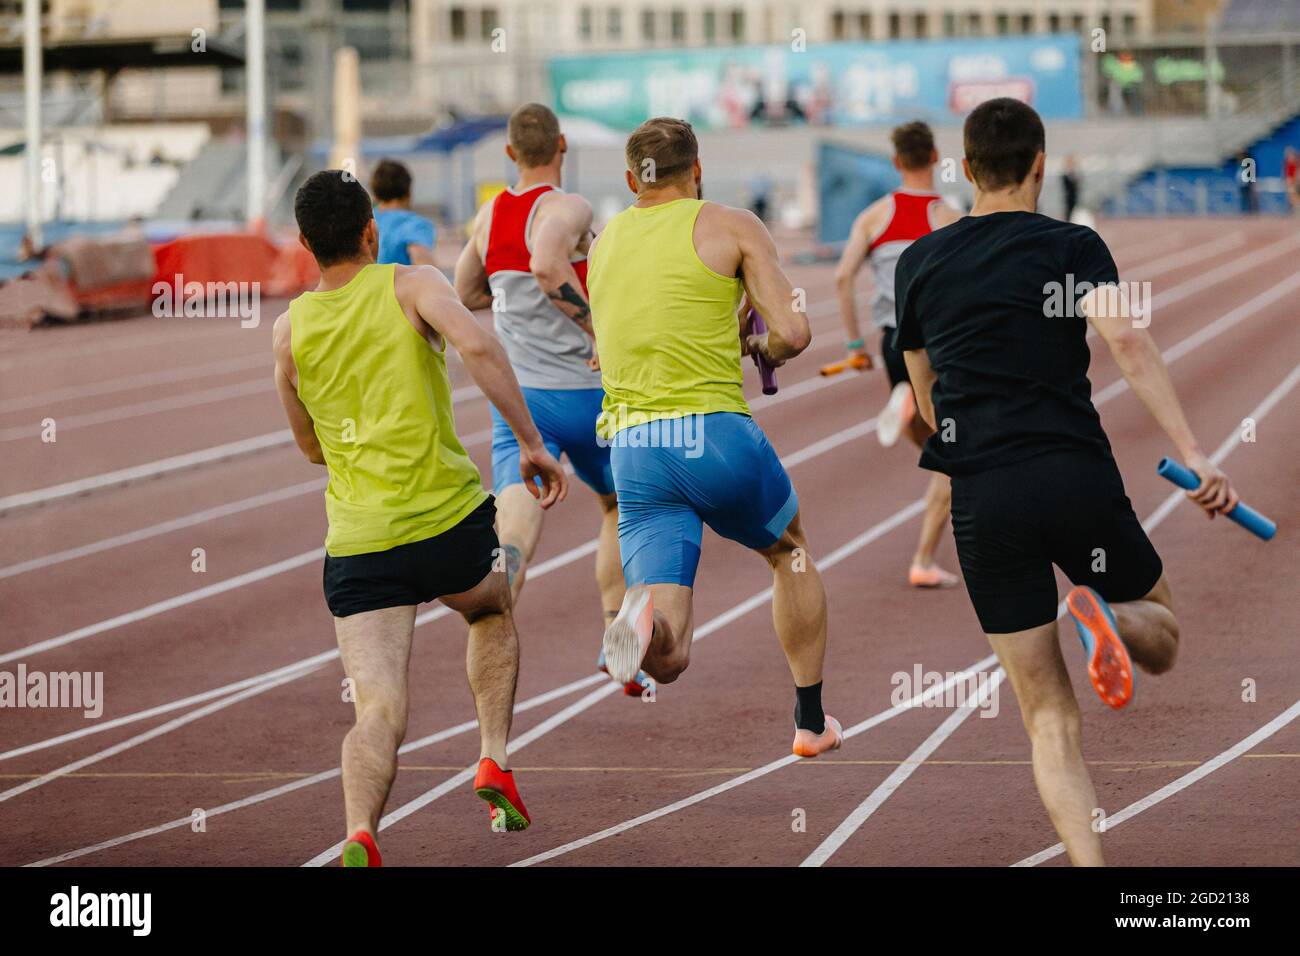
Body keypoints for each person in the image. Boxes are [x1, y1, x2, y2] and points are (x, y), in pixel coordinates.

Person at [894, 98, 1239, 866]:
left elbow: (923, 398)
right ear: (1040, 167)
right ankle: (1107, 619)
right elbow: (1124, 337)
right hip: (1070, 473)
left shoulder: (920, 262)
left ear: (967, 168)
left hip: (983, 499)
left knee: (1048, 716)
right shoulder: (1072, 244)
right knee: (1160, 629)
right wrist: (1195, 453)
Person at [273, 170, 568, 866]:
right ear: (371, 233)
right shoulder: (412, 285)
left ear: (306, 244)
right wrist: (530, 442)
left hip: (358, 547)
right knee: (493, 605)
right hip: (446, 526)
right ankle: (493, 756)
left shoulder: (289, 332)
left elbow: (310, 446)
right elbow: (479, 347)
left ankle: (360, 832)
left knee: (377, 710)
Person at [588, 117, 842, 758]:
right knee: (790, 554)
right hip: (711, 435)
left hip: (635, 451)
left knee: (670, 657)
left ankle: (639, 627)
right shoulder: (732, 225)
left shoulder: (604, 244)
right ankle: (810, 723)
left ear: (629, 181)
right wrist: (759, 343)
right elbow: (794, 331)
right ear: (697, 172)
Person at [454, 103, 645, 696]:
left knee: (514, 525)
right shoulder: (569, 206)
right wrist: (598, 332)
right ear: (561, 145)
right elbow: (544, 265)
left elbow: (465, 289)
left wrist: (514, 315)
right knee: (617, 507)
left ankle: (499, 592)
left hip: (522, 403)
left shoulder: (488, 217)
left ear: (510, 153)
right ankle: (616, 639)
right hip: (588, 394)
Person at [834, 120, 962, 589]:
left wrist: (853, 344)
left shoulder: (872, 217)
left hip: (892, 343)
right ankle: (924, 559)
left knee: (946, 455)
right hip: (935, 347)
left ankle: (905, 397)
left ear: (896, 162)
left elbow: (843, 278)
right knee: (956, 456)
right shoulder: (948, 216)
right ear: (934, 157)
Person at [371, 158, 437, 266]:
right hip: (396, 283)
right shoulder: (415, 225)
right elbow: (422, 262)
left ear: (375, 193)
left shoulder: (364, 223)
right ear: (408, 191)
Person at [1061, 154, 1081, 223]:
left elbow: (1077, 185)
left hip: (1074, 196)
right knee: (1069, 213)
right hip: (1069, 197)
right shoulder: (1065, 175)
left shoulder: (1075, 174)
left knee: (1074, 213)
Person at [1284, 146, 1298, 214]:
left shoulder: (1296, 163)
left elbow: (1296, 173)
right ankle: (1292, 210)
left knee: (1294, 196)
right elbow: (1286, 173)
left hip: (1295, 182)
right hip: (1290, 181)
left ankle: (1295, 210)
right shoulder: (1287, 163)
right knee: (1291, 196)